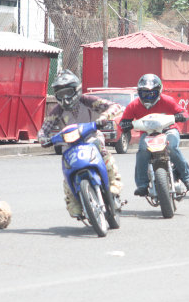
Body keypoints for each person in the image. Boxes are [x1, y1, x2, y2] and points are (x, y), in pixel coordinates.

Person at [38, 69, 124, 218]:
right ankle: (73, 202)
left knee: (102, 150)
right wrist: (43, 139)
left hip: (91, 136)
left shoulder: (88, 101)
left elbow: (115, 106)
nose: (65, 98)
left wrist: (104, 117)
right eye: (61, 95)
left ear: (77, 90)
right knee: (66, 167)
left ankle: (114, 182)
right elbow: (44, 130)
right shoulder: (56, 111)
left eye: (68, 93)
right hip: (69, 144)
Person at [119, 73, 189, 196]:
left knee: (172, 148)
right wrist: (125, 125)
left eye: (152, 93)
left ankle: (187, 177)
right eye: (144, 93)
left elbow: (184, 113)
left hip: (168, 130)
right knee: (142, 151)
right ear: (139, 93)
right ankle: (142, 184)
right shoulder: (134, 105)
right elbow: (123, 122)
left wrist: (179, 116)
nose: (148, 97)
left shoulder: (168, 100)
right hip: (148, 134)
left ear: (159, 92)